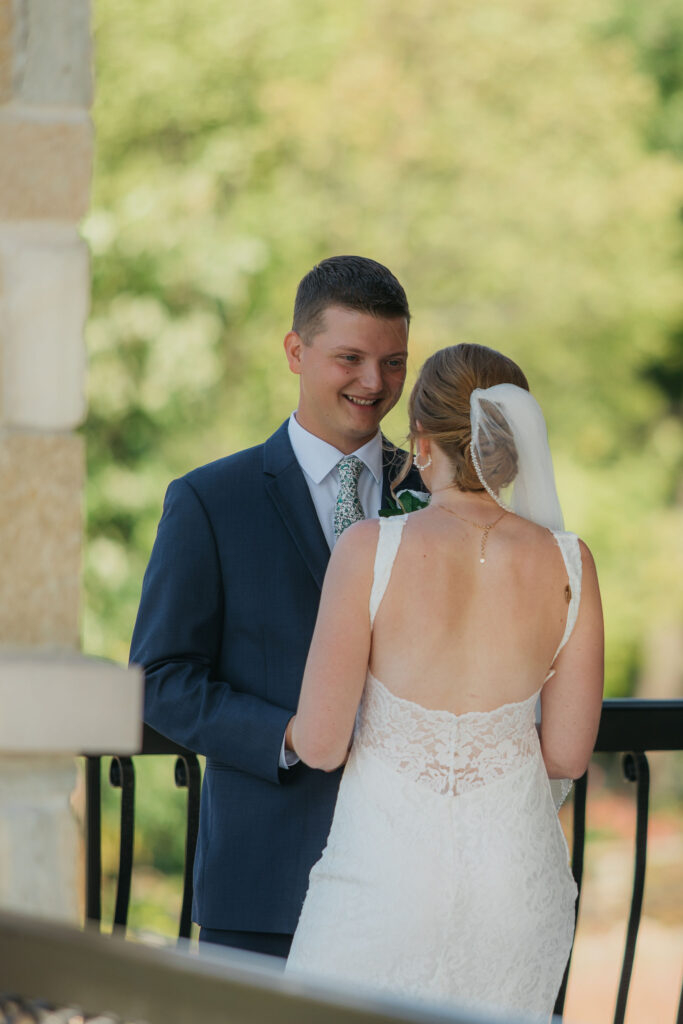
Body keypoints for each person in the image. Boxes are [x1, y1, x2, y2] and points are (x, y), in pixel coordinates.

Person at [285, 343, 604, 1021]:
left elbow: (318, 744)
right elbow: (568, 755)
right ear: (514, 447)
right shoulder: (570, 562)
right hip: (514, 886)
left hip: (383, 883)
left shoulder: (370, 549)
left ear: (420, 443)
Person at [129, 255, 424, 957]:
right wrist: (291, 736)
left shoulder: (438, 501)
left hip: (416, 884)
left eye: (393, 362)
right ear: (296, 351)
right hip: (266, 885)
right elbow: (159, 677)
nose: (374, 383)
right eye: (349, 357)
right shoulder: (210, 501)